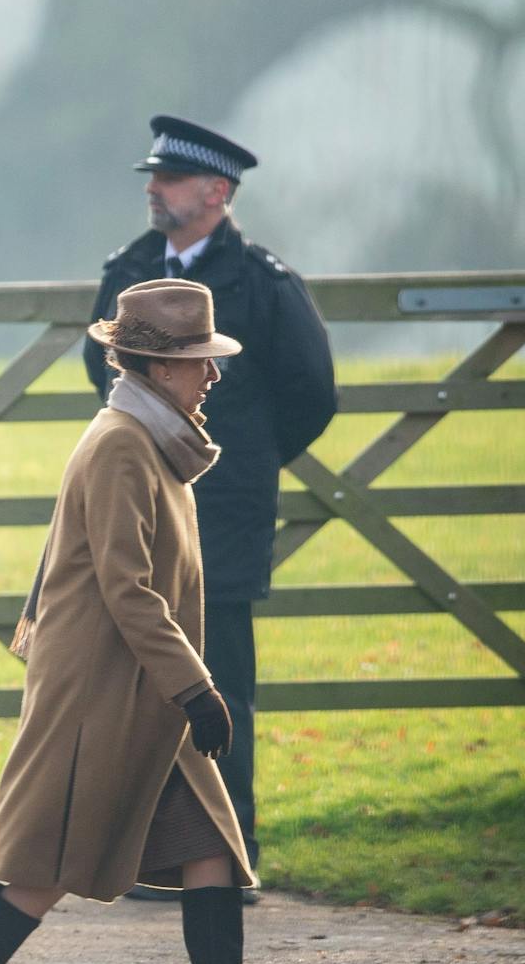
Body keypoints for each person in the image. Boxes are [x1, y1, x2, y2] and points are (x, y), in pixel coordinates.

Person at [0, 280, 310, 964]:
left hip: (146, 693)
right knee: (45, 864)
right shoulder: (123, 444)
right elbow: (129, 588)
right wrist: (198, 688)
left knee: (211, 853)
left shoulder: (154, 437)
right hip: (106, 691)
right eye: (200, 360)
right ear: (159, 367)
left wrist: (182, 690)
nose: (213, 375)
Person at [84, 115, 337, 899]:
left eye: (169, 179)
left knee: (221, 683)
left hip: (221, 520)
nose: (153, 190)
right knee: (139, 679)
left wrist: (244, 465)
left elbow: (311, 394)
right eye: (153, 178)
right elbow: (103, 373)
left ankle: (226, 857)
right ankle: (141, 857)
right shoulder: (128, 269)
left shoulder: (264, 283)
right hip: (140, 510)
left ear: (216, 192)